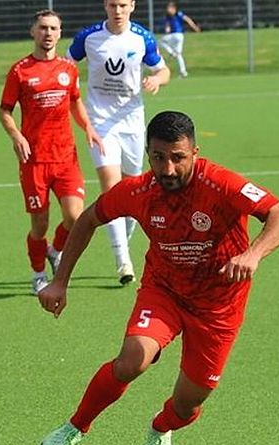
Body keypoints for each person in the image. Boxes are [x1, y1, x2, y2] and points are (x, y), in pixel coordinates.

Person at [37, 111, 279, 445]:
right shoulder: (138, 191)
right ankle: (75, 427)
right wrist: (60, 281)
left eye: (178, 158)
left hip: (219, 306)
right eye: (159, 158)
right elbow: (88, 219)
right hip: (165, 292)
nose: (169, 169)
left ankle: (160, 428)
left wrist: (253, 254)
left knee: (189, 403)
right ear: (148, 154)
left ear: (194, 152)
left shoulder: (221, 183)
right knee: (133, 360)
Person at [0, 10, 104, 294]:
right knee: (39, 224)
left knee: (74, 216)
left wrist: (88, 128)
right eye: (43, 28)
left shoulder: (68, 69)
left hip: (66, 158)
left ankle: (56, 250)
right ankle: (37, 274)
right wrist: (16, 135)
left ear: (60, 33)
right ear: (33, 31)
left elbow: (76, 103)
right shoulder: (20, 70)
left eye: (53, 28)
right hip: (34, 161)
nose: (48, 33)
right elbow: (5, 110)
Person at [68, 0, 171, 285]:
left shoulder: (142, 38)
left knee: (134, 190)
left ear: (132, 6)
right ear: (104, 5)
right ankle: (123, 260)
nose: (117, 10)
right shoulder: (88, 37)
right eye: (113, 4)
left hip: (132, 123)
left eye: (123, 5)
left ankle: (122, 242)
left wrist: (156, 80)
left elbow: (164, 70)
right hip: (100, 123)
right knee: (111, 191)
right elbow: (65, 67)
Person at [160, 2, 201, 78]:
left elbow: (188, 20)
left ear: (174, 9)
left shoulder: (178, 14)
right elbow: (168, 27)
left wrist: (194, 27)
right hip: (177, 36)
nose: (168, 10)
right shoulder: (168, 17)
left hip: (177, 35)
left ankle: (171, 53)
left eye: (170, 8)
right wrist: (167, 29)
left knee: (161, 41)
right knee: (179, 54)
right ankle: (183, 72)